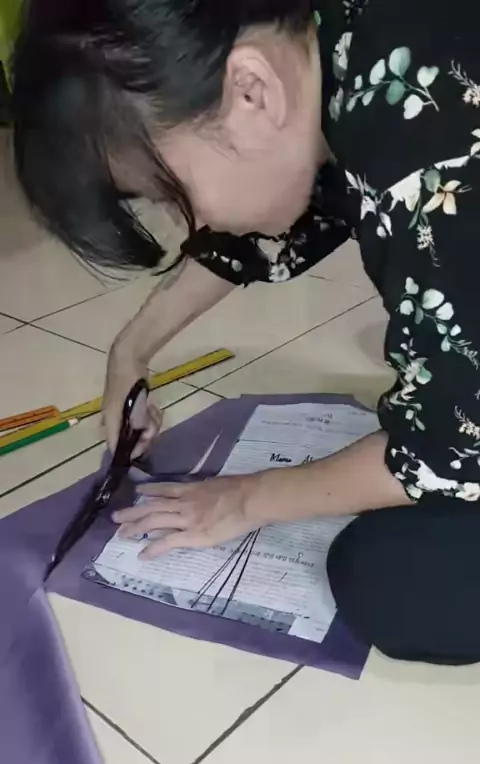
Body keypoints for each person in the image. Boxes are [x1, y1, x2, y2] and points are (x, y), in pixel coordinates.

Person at [11, 0, 480, 664]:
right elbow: (274, 223)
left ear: (252, 91)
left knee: (396, 582)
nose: (192, 223)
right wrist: (130, 352)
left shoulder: (435, 159)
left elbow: (449, 446)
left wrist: (244, 501)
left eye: (170, 194)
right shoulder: (350, 45)